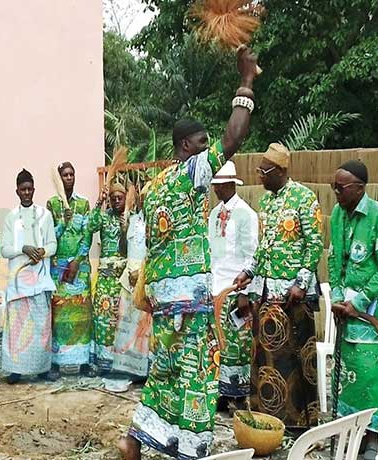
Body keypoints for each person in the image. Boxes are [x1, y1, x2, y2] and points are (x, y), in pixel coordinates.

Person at [118, 47, 259, 460]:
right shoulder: (189, 172)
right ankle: (191, 449)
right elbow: (234, 138)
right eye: (200, 142)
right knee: (199, 373)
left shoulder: (156, 184)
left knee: (166, 370)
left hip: (164, 301)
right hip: (187, 302)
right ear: (185, 145)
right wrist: (246, 84)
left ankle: (136, 437)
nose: (207, 149)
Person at [234, 142, 323, 431]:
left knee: (295, 361)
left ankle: (298, 422)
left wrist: (301, 282)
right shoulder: (267, 202)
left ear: (280, 171)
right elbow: (264, 247)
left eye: (264, 171)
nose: (259, 176)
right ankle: (270, 418)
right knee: (268, 360)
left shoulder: (304, 198)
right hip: (267, 293)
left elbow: (315, 244)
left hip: (293, 297)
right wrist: (249, 272)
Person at [328, 160, 378, 459]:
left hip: (375, 312)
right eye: (334, 187)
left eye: (341, 187)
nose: (336, 192)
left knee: (372, 377)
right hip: (346, 310)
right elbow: (334, 259)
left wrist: (358, 301)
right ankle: (350, 431)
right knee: (348, 374)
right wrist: (335, 294)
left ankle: (373, 436)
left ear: (359, 188)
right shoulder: (337, 214)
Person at [207, 161, 258, 406]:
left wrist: (245, 291)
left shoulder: (247, 214)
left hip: (236, 286)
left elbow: (252, 253)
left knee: (238, 343)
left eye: (219, 185)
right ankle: (221, 391)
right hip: (216, 286)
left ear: (229, 184)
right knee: (219, 341)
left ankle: (237, 394)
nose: (216, 189)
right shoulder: (214, 214)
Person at [0, 169, 57, 383]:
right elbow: (4, 249)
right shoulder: (11, 217)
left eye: (30, 189)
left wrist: (42, 252)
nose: (27, 193)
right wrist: (23, 248)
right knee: (18, 327)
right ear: (17, 191)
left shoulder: (45, 215)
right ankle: (15, 370)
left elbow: (53, 244)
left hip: (40, 280)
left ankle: (42, 368)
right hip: (18, 283)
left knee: (42, 325)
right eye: (23, 190)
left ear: (34, 190)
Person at [46, 162, 93, 376]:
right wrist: (62, 224)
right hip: (58, 268)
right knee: (59, 315)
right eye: (64, 175)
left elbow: (88, 233)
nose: (68, 178)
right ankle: (56, 362)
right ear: (60, 178)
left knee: (81, 314)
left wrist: (78, 259)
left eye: (71, 174)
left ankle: (83, 361)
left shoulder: (83, 204)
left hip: (80, 267)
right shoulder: (52, 205)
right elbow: (49, 236)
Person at [110, 183, 151, 383]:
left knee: (143, 326)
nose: (143, 201)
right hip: (128, 277)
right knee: (126, 323)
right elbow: (124, 249)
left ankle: (143, 370)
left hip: (145, 276)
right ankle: (127, 367)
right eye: (141, 198)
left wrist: (142, 273)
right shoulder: (132, 219)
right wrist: (124, 228)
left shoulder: (154, 221)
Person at [87, 182, 129, 374]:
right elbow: (89, 226)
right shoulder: (104, 218)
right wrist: (99, 202)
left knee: (122, 321)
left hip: (124, 279)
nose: (117, 201)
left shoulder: (132, 218)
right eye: (113, 199)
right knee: (103, 319)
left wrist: (126, 229)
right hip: (105, 278)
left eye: (120, 198)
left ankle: (122, 363)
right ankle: (103, 362)